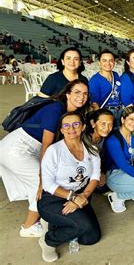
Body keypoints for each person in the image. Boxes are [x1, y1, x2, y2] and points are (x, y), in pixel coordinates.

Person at [0, 79, 90, 237]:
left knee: (43, 184)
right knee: (41, 185)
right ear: (67, 94)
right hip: (17, 148)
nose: (81, 97)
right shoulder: (55, 109)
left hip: (26, 148)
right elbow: (46, 146)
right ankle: (28, 227)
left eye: (85, 94)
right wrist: (43, 177)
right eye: (77, 92)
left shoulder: (71, 114)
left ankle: (40, 218)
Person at [37, 112, 101, 263]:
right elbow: (48, 184)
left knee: (91, 238)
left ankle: (58, 222)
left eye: (76, 124)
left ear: (83, 127)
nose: (71, 128)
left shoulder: (92, 149)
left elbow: (95, 177)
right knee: (83, 225)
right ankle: (48, 241)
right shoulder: (54, 151)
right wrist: (72, 197)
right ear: (61, 129)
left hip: (80, 196)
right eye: (66, 125)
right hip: (53, 197)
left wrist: (83, 197)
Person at [82, 109, 115, 194]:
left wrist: (102, 172)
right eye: (103, 124)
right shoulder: (83, 139)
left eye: (110, 125)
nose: (107, 128)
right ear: (93, 123)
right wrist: (96, 175)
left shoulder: (106, 139)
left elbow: (105, 160)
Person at [89, 50, 122, 120]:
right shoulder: (95, 80)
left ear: (114, 62)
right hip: (105, 111)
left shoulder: (116, 75)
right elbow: (94, 103)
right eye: (104, 60)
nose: (108, 63)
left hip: (119, 110)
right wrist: (101, 117)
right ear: (99, 63)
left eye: (111, 60)